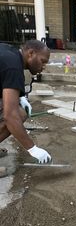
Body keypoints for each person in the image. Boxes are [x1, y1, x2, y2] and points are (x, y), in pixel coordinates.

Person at [0, 40, 52, 176]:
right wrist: (32, 148)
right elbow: (9, 116)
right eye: (43, 61)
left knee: (21, 113)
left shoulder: (12, 54)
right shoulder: (13, 66)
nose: (44, 66)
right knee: (15, 115)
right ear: (31, 54)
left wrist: (21, 97)